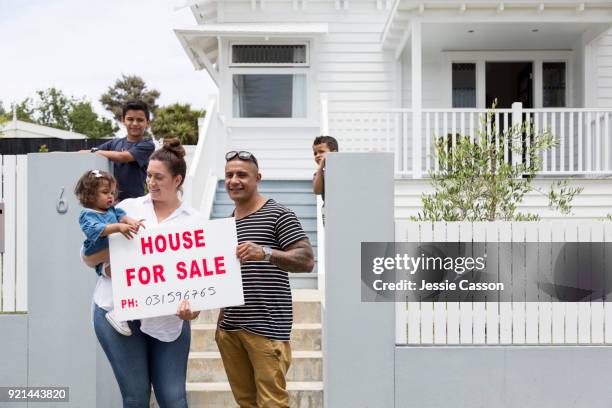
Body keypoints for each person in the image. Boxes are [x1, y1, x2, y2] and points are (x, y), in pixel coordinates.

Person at [82, 138, 199, 408]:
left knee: (174, 398)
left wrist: (194, 311)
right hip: (117, 313)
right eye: (148, 175)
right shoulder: (126, 209)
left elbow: (200, 279)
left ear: (177, 179)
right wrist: (116, 261)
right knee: (135, 398)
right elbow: (87, 256)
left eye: (159, 177)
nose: (151, 182)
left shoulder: (195, 220)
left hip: (169, 318)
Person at [216, 150, 315, 408]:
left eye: (242, 175)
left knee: (272, 403)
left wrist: (266, 253)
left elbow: (306, 260)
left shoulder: (278, 214)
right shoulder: (226, 224)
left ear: (257, 178)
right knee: (246, 402)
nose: (234, 180)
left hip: (267, 328)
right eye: (229, 175)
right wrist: (219, 325)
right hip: (230, 329)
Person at [74, 169, 144, 336]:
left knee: (130, 278)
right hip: (102, 258)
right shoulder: (87, 215)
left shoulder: (112, 210)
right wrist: (118, 228)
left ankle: (123, 310)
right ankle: (116, 312)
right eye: (105, 192)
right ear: (90, 195)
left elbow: (122, 216)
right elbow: (95, 230)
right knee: (122, 276)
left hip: (116, 255)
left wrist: (131, 222)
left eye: (112, 192)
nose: (110, 196)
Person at [88, 100, 155, 201]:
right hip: (111, 201)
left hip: (135, 202)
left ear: (147, 123)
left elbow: (122, 157)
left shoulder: (147, 144)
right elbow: (90, 153)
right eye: (130, 119)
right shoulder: (115, 143)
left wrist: (95, 152)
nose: (135, 123)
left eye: (140, 120)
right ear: (123, 120)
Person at [312, 135, 339, 224]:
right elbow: (317, 191)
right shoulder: (319, 174)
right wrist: (320, 168)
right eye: (315, 153)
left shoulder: (343, 170)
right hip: (329, 211)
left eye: (321, 152)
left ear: (333, 153)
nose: (317, 155)